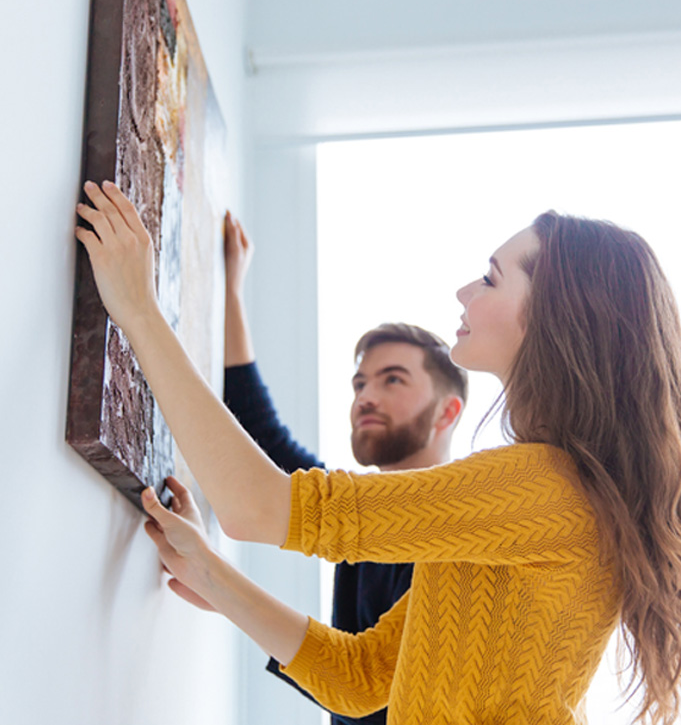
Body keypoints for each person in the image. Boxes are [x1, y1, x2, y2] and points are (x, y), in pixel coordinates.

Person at [75, 181, 681, 725]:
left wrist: (139, 310)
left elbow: (254, 507)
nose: (465, 290)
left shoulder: (540, 488)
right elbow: (360, 678)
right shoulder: (536, 495)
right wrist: (208, 571)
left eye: (492, 278)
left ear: (555, 316)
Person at [220, 213, 467, 725]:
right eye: (359, 384)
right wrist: (232, 291)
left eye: (392, 380)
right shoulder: (358, 514)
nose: (366, 398)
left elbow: (366, 689)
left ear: (448, 412)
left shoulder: (458, 538)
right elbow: (263, 441)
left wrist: (222, 588)